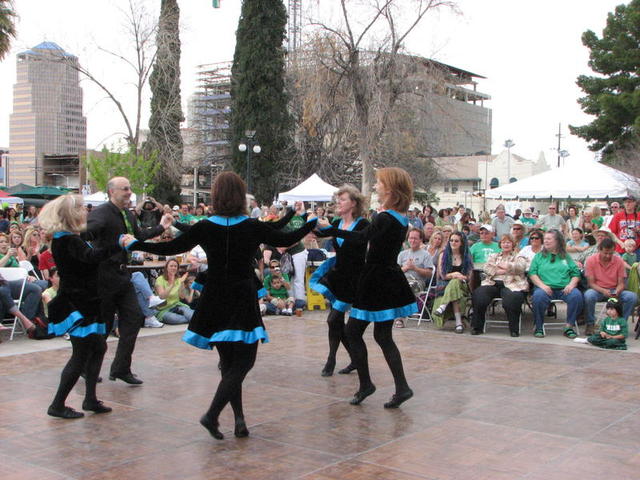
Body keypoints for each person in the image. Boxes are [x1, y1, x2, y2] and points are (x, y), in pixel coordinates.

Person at [123, 171, 319, 439]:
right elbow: (284, 239)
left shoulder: (205, 226)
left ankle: (239, 420)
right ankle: (213, 414)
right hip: (240, 297)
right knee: (245, 360)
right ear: (240, 197)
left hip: (214, 298)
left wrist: (136, 243)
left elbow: (172, 248)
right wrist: (311, 223)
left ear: (216, 196)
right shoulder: (251, 226)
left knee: (229, 364)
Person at [316, 167, 416, 408]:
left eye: (379, 183)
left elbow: (361, 238)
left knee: (352, 332)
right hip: (389, 278)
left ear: (390, 188)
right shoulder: (401, 218)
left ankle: (367, 385)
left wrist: (330, 230)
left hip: (375, 280)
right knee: (383, 336)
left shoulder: (384, 217)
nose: (376, 186)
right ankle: (401, 387)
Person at [39, 194, 125, 419]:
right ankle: (57, 404)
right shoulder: (68, 239)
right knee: (80, 354)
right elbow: (92, 256)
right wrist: (117, 243)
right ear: (71, 213)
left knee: (98, 348)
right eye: (82, 207)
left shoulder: (66, 238)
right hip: (78, 303)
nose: (86, 210)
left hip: (85, 301)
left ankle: (90, 399)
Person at [85, 176, 172, 385]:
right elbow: (85, 234)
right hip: (104, 278)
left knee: (133, 319)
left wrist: (161, 226)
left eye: (130, 188)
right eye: (125, 189)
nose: (129, 192)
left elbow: (139, 236)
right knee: (103, 326)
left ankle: (121, 368)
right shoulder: (101, 214)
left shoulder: (128, 215)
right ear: (112, 191)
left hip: (124, 276)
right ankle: (87, 368)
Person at [311, 184, 369, 377]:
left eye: (342, 199)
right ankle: (353, 358)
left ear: (353, 203)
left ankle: (331, 360)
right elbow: (321, 233)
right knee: (336, 322)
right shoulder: (336, 223)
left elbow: (358, 240)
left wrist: (328, 229)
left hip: (354, 279)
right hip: (339, 277)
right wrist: (307, 223)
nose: (338, 202)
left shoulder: (362, 224)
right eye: (338, 199)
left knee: (333, 319)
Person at [529, 229, 583, 338]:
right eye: (545, 239)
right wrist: (542, 286)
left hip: (564, 288)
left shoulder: (565, 256)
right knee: (538, 297)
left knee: (576, 296)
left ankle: (569, 326)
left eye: (549, 239)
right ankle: (539, 326)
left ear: (557, 241)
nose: (546, 241)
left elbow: (576, 273)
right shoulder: (539, 256)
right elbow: (532, 273)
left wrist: (571, 285)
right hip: (544, 288)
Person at [471, 235, 528, 337]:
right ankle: (477, 327)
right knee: (479, 295)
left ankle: (514, 329)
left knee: (512, 299)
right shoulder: (494, 256)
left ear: (513, 244)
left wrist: (505, 266)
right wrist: (506, 270)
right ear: (500, 244)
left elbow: (521, 268)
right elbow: (487, 268)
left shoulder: (519, 256)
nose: (505, 244)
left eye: (508, 242)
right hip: (493, 283)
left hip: (512, 284)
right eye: (503, 242)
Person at [583, 237, 637, 336]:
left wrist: (617, 291)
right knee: (588, 295)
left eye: (611, 253)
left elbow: (621, 283)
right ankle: (590, 324)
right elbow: (591, 283)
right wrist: (603, 291)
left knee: (631, 297)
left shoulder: (619, 261)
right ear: (599, 250)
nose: (608, 256)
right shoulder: (591, 260)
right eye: (605, 253)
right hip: (598, 290)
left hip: (614, 289)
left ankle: (620, 323)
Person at [432, 232, 474, 333]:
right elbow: (442, 275)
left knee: (455, 282)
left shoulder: (467, 256)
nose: (453, 243)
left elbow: (468, 276)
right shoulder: (443, 255)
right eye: (451, 240)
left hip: (462, 285)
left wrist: (459, 276)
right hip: (444, 285)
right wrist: (454, 274)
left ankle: (443, 305)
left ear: (462, 243)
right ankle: (458, 323)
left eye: (456, 241)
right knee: (454, 286)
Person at [154, 258, 195, 324]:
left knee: (192, 315)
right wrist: (172, 284)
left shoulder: (178, 280)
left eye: (175, 266)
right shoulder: (160, 279)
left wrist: (181, 282)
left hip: (176, 305)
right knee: (174, 319)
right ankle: (189, 318)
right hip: (163, 309)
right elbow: (162, 297)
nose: (173, 268)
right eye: (171, 266)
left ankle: (191, 317)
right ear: (166, 268)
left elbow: (182, 297)